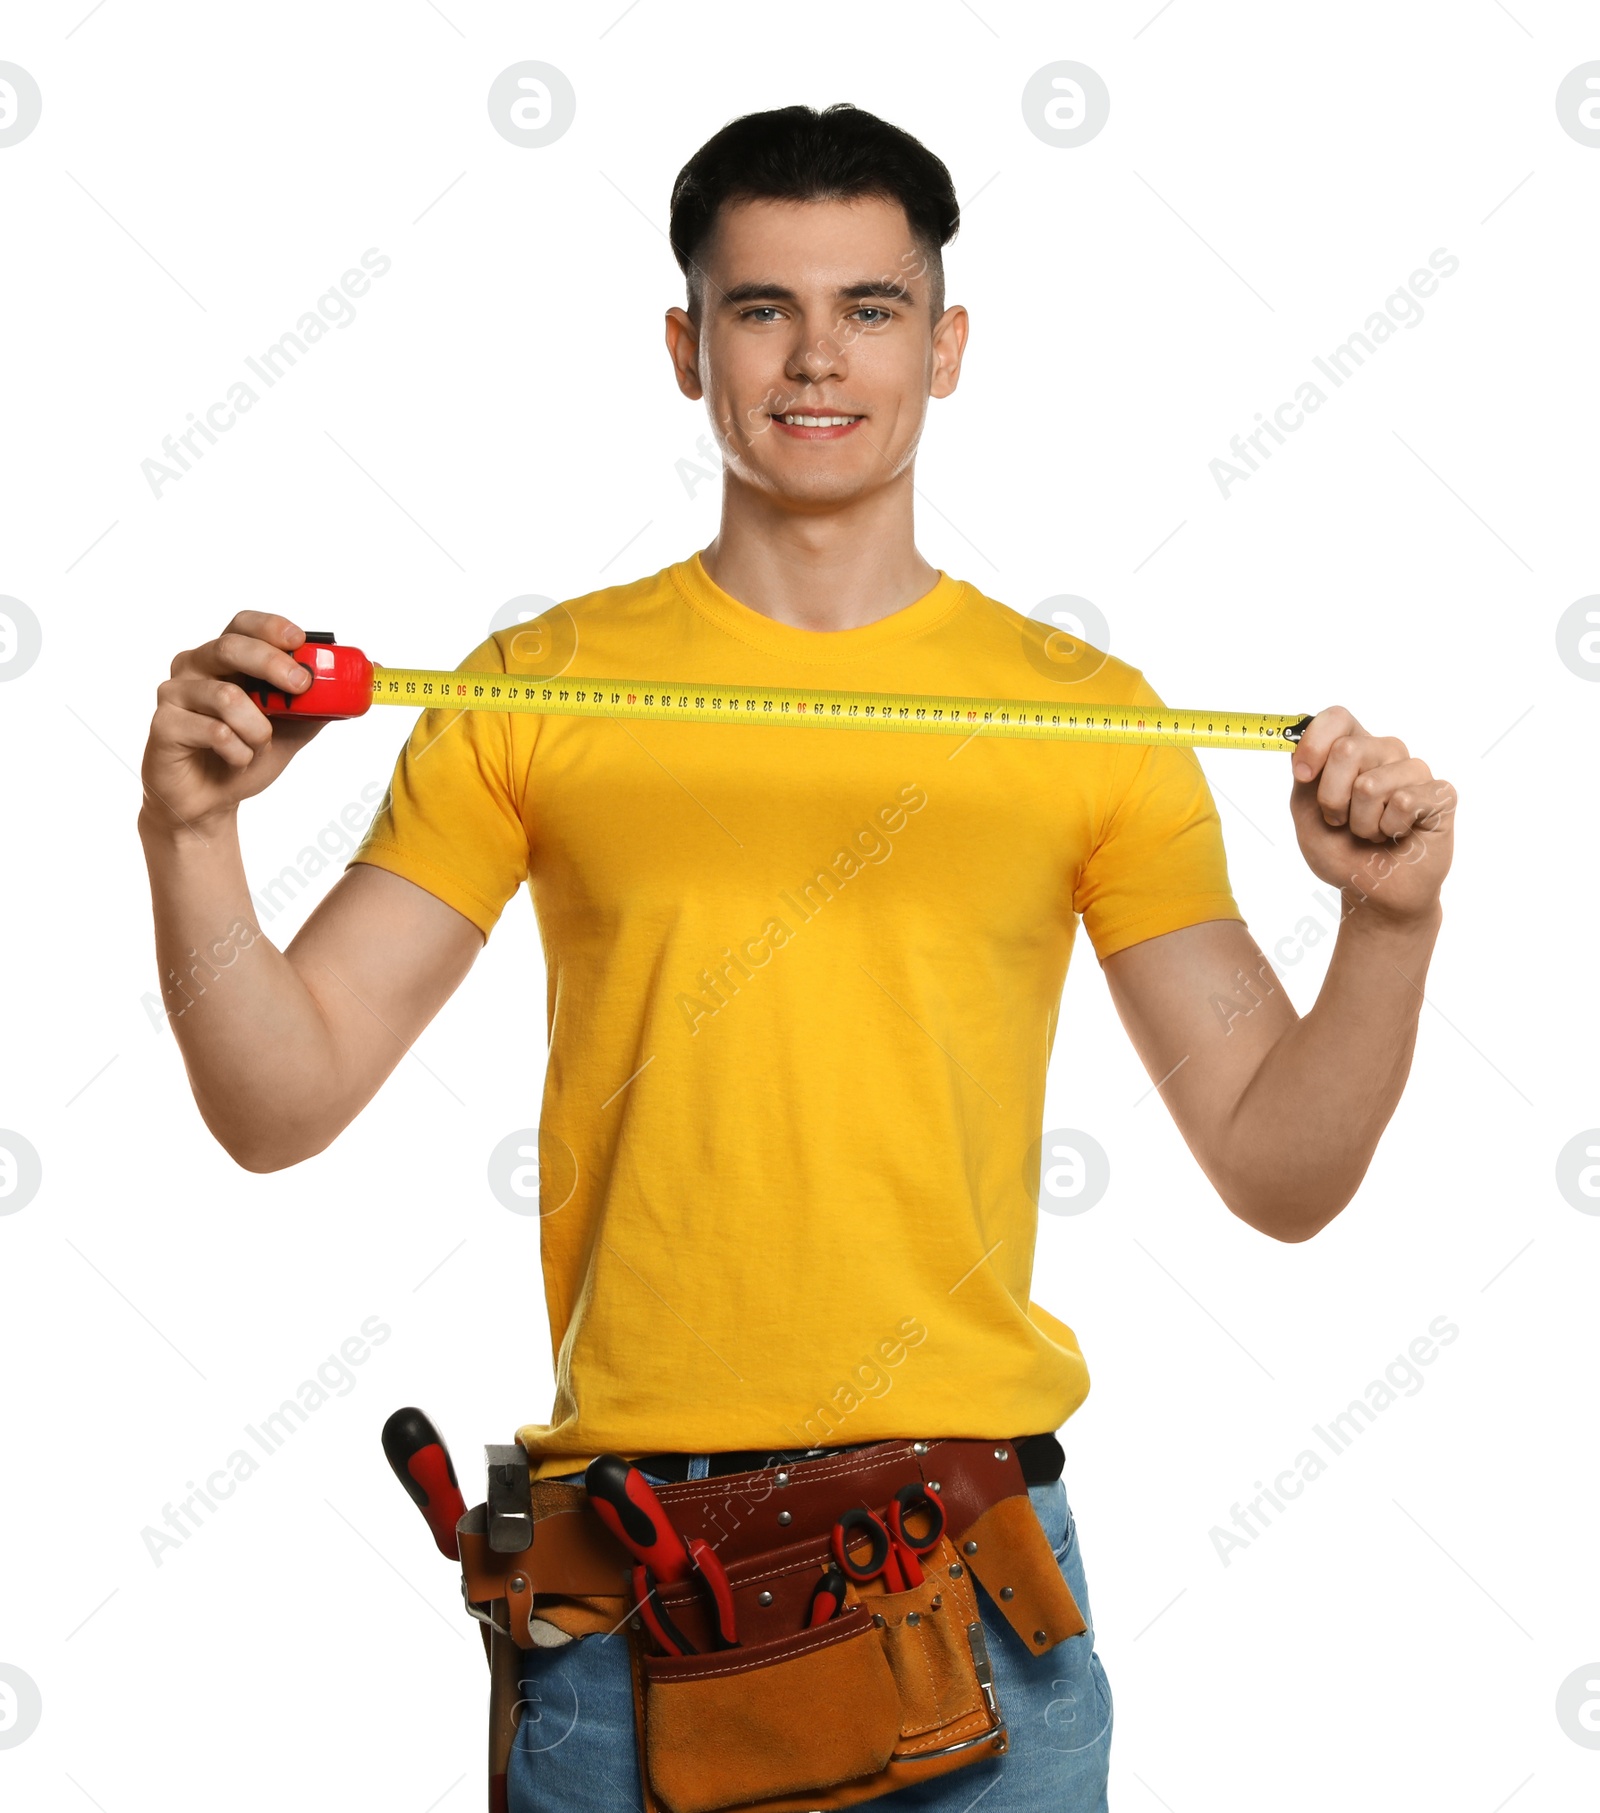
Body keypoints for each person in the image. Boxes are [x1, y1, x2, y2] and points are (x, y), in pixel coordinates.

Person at [138, 103, 1456, 1812]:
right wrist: (192, 834)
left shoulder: (1086, 722)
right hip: (634, 1605)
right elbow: (278, 1094)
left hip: (974, 1595)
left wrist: (1389, 926)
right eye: (761, 308)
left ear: (948, 344)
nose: (817, 354)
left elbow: (1280, 1165)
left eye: (872, 306)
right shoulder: (534, 691)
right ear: (688, 348)